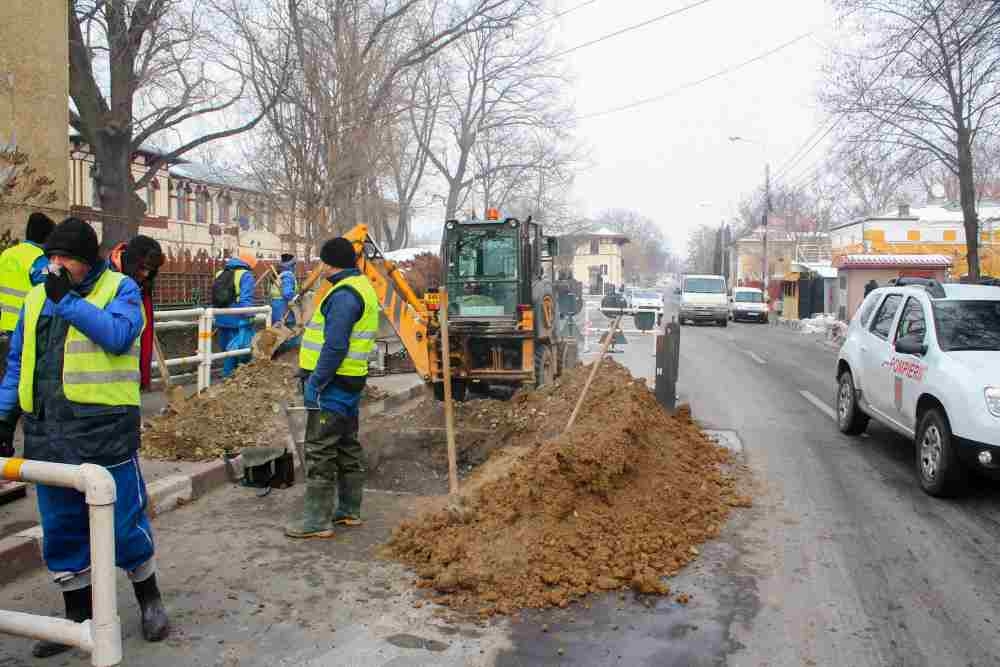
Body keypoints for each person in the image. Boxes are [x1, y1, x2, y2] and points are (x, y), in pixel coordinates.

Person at [0, 218, 169, 657]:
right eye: (52, 257)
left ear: (86, 260)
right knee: (61, 530)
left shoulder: (121, 289)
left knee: (124, 524)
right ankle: (77, 617)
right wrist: (4, 417)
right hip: (46, 434)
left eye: (66, 259)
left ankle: (149, 598)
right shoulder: (37, 297)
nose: (56, 266)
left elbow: (116, 336)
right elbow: (20, 362)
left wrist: (69, 301)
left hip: (104, 432)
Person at [286, 237, 378, 539]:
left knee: (321, 449)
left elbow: (335, 344)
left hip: (333, 383)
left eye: (321, 261)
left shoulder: (343, 295)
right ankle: (350, 510)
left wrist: (315, 382)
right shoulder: (362, 286)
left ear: (328, 262)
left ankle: (316, 521)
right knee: (347, 444)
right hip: (350, 380)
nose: (318, 266)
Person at [0, 213, 55, 372]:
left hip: (5, 324)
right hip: (26, 327)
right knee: (24, 374)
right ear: (46, 237)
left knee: (8, 374)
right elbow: (47, 278)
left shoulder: (7, 254)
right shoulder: (38, 257)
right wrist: (59, 265)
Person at [109, 236, 165, 390]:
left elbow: (145, 334)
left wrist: (143, 377)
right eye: (143, 268)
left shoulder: (142, 287)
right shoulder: (105, 278)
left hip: (130, 382)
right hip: (107, 382)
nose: (146, 274)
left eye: (150, 270)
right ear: (132, 261)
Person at [213, 252, 258, 377]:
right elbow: (246, 303)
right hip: (237, 321)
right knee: (236, 352)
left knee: (226, 351)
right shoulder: (246, 275)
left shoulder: (220, 273)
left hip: (220, 319)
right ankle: (228, 379)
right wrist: (251, 316)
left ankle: (232, 377)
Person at [270, 253, 298, 326]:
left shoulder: (281, 274)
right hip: (284, 309)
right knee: (287, 333)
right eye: (294, 265)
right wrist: (295, 298)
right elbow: (287, 293)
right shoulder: (288, 275)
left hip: (276, 308)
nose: (295, 267)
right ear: (291, 265)